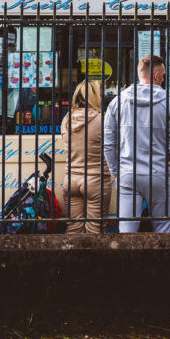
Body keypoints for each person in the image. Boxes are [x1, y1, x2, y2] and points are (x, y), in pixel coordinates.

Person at [103, 55, 170, 233]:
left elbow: (108, 143)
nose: (163, 78)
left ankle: (126, 261)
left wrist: (116, 172)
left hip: (128, 174)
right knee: (163, 228)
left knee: (126, 231)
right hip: (159, 175)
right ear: (155, 75)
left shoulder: (117, 102)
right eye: (162, 75)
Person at [60, 79, 112, 233]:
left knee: (73, 229)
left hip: (71, 181)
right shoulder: (101, 119)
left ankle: (72, 256)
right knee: (95, 231)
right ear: (95, 96)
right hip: (95, 181)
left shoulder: (66, 120)